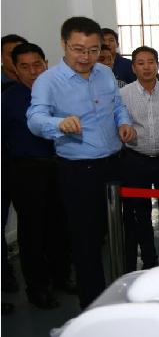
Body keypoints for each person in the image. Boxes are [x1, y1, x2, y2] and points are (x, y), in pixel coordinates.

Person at [27, 16, 136, 309]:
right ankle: (94, 307)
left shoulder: (104, 73)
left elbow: (117, 106)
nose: (86, 57)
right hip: (79, 171)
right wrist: (58, 124)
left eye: (93, 50)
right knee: (86, 241)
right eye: (78, 49)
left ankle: (125, 293)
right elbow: (35, 118)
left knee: (120, 232)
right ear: (64, 44)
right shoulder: (49, 81)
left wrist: (124, 123)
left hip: (115, 164)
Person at [2, 42, 74, 309]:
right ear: (15, 69)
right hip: (25, 171)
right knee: (33, 232)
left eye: (37, 65)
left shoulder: (58, 92)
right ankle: (37, 288)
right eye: (25, 67)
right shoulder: (8, 99)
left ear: (46, 64)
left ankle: (61, 277)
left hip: (60, 164)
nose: (33, 72)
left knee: (60, 226)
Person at [120, 46, 159, 271]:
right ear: (133, 67)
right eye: (141, 63)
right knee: (141, 212)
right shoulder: (124, 95)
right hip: (136, 160)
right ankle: (149, 259)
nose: (146, 67)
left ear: (157, 65)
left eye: (151, 62)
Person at [1, 34, 27, 306]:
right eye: (11, 54)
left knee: (32, 223)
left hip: (25, 167)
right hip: (5, 163)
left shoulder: (37, 89)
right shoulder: (6, 94)